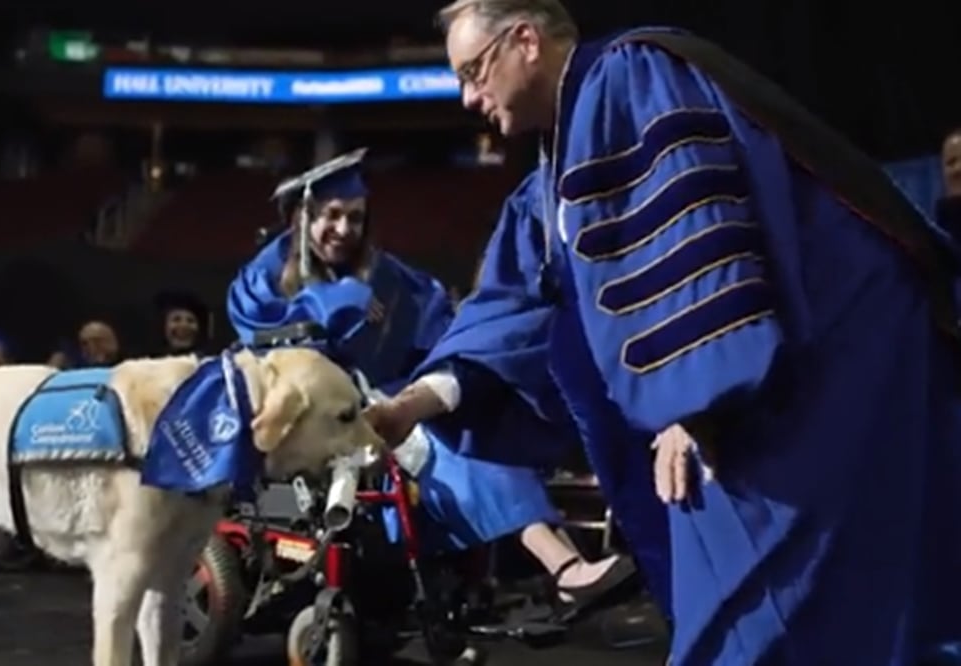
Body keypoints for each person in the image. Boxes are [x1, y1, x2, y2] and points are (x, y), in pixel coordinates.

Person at [366, 2, 961, 665]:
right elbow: (512, 307)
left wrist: (693, 404)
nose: (468, 98)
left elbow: (692, 239)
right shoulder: (551, 179)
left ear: (525, 41)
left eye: (473, 72)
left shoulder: (631, 77)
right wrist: (408, 406)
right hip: (751, 395)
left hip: (831, 364)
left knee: (802, 606)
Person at [227, 149, 634, 619]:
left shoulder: (387, 275)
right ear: (302, 217)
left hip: (391, 398)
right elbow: (270, 354)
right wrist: (340, 316)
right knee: (443, 445)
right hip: (318, 415)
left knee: (471, 423)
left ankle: (531, 572)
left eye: (355, 218)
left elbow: (434, 325)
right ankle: (562, 566)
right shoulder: (263, 279)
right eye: (331, 216)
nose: (344, 230)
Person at [155, 290, 210, 356]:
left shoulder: (207, 364)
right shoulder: (150, 363)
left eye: (190, 320)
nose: (184, 325)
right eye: (176, 319)